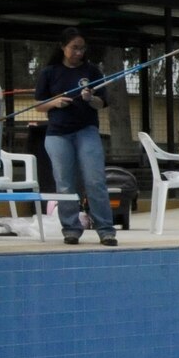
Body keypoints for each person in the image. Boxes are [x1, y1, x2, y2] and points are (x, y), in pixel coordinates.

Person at [33, 27, 115, 246]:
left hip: (86, 131)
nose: (79, 52)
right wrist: (55, 102)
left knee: (94, 179)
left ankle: (106, 229)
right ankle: (71, 228)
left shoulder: (92, 71)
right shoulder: (49, 72)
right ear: (63, 47)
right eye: (74, 48)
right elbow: (39, 104)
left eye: (82, 48)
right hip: (58, 134)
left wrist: (90, 98)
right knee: (65, 183)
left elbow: (102, 103)